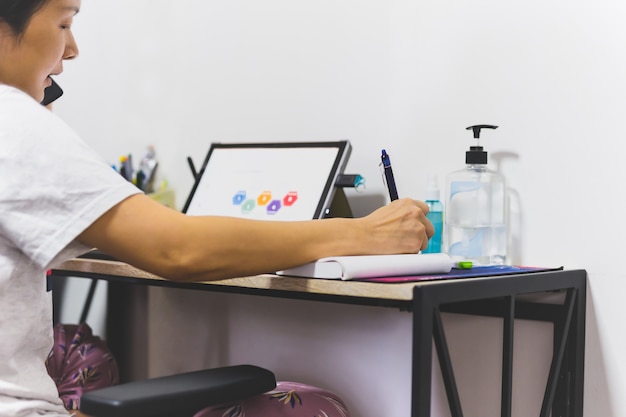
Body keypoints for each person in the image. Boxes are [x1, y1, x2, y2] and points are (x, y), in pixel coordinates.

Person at [0, 0, 434, 416]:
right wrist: (364, 233)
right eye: (63, 23)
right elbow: (177, 249)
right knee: (310, 405)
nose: (71, 50)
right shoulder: (13, 120)